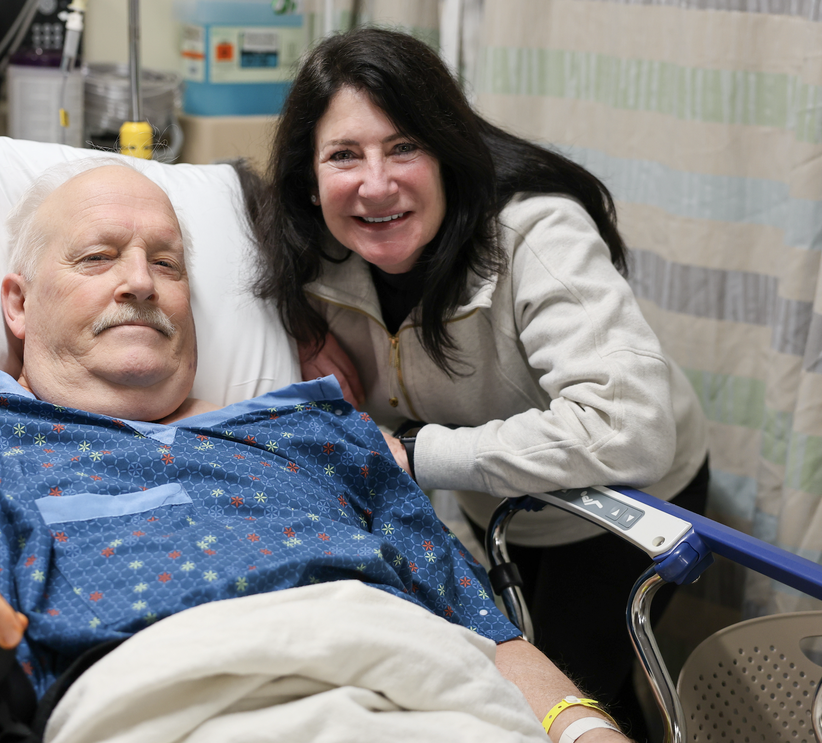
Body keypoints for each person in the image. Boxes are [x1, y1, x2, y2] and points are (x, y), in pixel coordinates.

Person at [0, 161, 629, 743]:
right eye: (98, 259)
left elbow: (489, 629)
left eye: (168, 262)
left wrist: (582, 727)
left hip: (435, 698)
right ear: (19, 304)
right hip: (159, 704)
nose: (140, 282)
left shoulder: (316, 432)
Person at [249, 26, 709, 740]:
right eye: (344, 154)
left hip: (629, 501)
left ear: (447, 153)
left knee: (565, 703)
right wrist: (304, 331)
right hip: (498, 503)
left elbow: (633, 428)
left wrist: (415, 453)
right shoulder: (316, 252)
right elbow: (232, 192)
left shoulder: (532, 233)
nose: (376, 183)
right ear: (309, 180)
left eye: (403, 146)